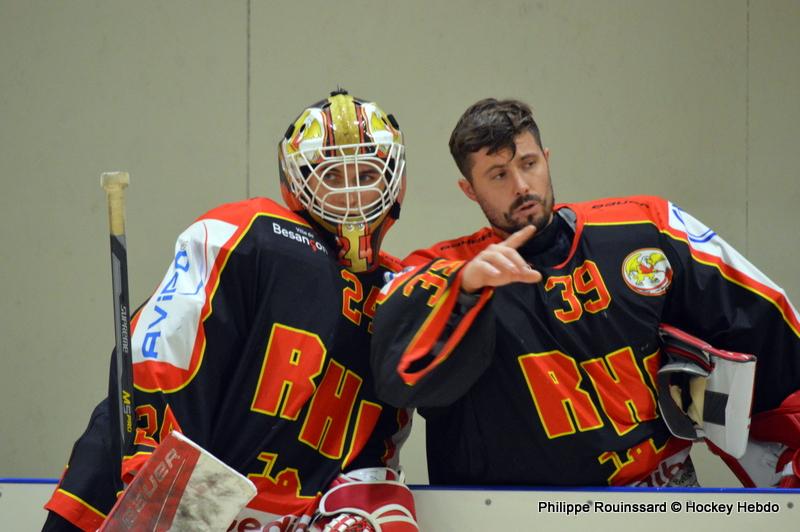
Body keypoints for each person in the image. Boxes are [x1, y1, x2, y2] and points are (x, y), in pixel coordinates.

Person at [371, 97, 800, 487]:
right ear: (469, 189)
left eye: (529, 163)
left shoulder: (646, 227)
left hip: (659, 492)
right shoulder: (441, 268)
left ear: (547, 159)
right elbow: (396, 377)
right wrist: (462, 289)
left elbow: (767, 321)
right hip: (512, 513)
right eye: (498, 175)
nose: (521, 185)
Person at [44, 90, 419, 531]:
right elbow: (163, 345)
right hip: (145, 491)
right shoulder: (251, 233)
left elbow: (382, 439)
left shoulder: (398, 294)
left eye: (367, 173)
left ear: (395, 181)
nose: (351, 191)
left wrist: (358, 502)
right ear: (296, 182)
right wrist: (154, 467)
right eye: (332, 175)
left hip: (275, 516)